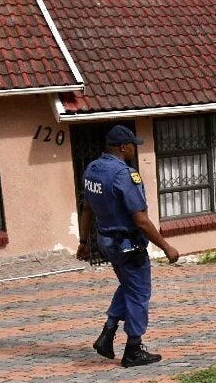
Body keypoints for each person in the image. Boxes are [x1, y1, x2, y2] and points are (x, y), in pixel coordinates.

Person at [76, 125, 180, 367]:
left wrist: (83, 242)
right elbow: (140, 220)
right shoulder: (124, 175)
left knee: (129, 285)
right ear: (123, 147)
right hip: (127, 244)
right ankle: (133, 349)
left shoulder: (92, 169)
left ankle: (108, 332)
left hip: (106, 241)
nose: (135, 148)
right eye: (133, 144)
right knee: (139, 293)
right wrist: (166, 247)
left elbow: (87, 208)